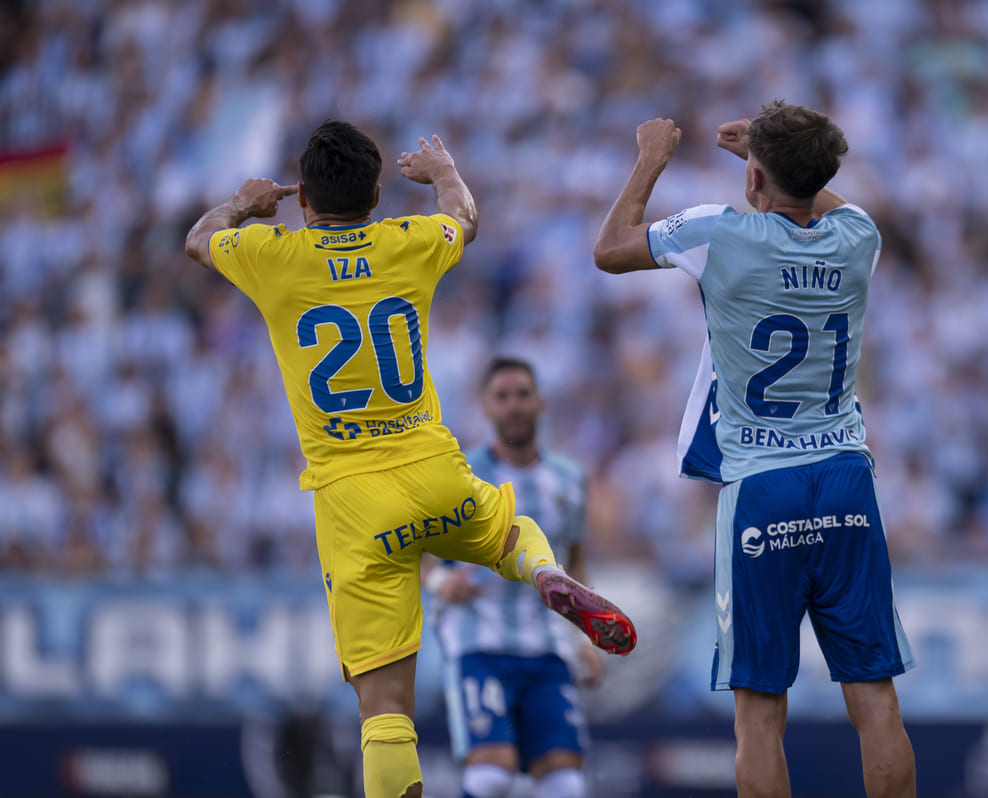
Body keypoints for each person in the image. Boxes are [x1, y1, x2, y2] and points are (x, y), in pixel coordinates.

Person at [183, 120, 636, 798]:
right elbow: (464, 217)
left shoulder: (271, 255)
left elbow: (196, 240)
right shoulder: (408, 241)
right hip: (434, 470)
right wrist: (444, 170)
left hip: (353, 500)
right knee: (514, 531)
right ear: (375, 196)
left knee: (385, 712)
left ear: (303, 197)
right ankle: (544, 574)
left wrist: (245, 204)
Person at [592, 103, 917, 798]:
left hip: (760, 487)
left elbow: (609, 248)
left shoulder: (719, 230)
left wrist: (651, 159)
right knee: (874, 697)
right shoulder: (857, 237)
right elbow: (822, 194)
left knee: (759, 713)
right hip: (844, 480)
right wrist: (776, 162)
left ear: (753, 178)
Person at [424, 356, 603, 798]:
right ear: (485, 407)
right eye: (502, 397)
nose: (514, 406)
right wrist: (439, 584)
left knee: (566, 780)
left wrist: (584, 637)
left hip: (546, 647)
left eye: (522, 394)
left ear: (540, 401)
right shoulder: (460, 476)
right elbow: (419, 550)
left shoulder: (569, 479)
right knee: (493, 774)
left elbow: (574, 562)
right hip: (477, 641)